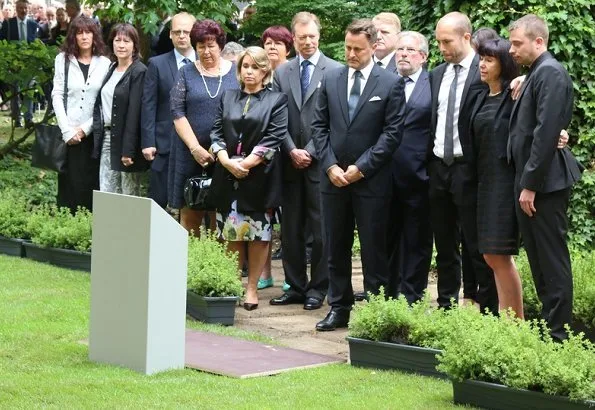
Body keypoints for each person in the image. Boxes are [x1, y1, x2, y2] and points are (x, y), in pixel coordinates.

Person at [312, 19, 406, 331]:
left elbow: (392, 134)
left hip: (371, 181)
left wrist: (361, 168)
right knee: (334, 246)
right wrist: (329, 166)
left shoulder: (390, 83)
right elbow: (319, 127)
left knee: (373, 249)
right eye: (348, 47)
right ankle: (339, 307)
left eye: (358, 49)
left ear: (374, 46)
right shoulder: (332, 77)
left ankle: (377, 313)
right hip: (333, 178)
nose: (351, 54)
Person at [508, 14, 583, 339]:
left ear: (539, 42)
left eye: (517, 43)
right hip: (536, 183)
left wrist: (530, 186)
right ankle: (551, 329)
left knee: (551, 259)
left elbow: (545, 133)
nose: (511, 50)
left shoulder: (549, 73)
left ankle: (559, 335)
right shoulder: (537, 73)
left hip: (545, 185)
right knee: (539, 259)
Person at [269, 13, 342, 309]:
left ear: (319, 36)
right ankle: (295, 286)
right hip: (289, 161)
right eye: (302, 38)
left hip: (320, 160)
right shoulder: (282, 72)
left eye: (312, 36)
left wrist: (310, 150)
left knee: (321, 228)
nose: (308, 42)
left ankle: (318, 288)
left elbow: (335, 118)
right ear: (294, 39)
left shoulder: (335, 70)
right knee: (290, 229)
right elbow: (274, 115)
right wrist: (290, 149)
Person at [428, 12, 498, 314]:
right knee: (443, 244)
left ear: (466, 37)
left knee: (474, 243)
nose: (442, 47)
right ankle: (445, 305)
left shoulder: (483, 73)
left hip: (468, 169)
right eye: (438, 41)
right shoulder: (436, 74)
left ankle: (484, 306)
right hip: (438, 168)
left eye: (447, 41)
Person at [209, 46, 288, 311]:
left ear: (265, 70)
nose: (249, 72)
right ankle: (233, 285)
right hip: (228, 175)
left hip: (259, 178)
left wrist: (248, 163)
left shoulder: (277, 100)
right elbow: (216, 132)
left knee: (258, 236)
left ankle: (252, 288)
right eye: (245, 66)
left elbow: (274, 137)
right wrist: (226, 161)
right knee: (232, 233)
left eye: (255, 67)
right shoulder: (228, 96)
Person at [468, 38, 524, 317]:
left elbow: (534, 126)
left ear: (505, 64)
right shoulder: (480, 96)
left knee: (499, 255)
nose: (482, 64)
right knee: (490, 255)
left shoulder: (515, 96)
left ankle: (516, 323)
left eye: (489, 60)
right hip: (483, 183)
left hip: (504, 183)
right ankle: (508, 319)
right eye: (481, 58)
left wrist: (560, 135)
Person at [169, 19, 238, 233]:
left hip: (225, 155)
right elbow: (177, 111)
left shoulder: (235, 73)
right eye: (201, 46)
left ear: (220, 45)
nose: (206, 51)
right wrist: (195, 148)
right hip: (190, 152)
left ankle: (218, 265)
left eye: (211, 45)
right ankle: (189, 264)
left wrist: (222, 149)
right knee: (190, 213)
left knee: (222, 217)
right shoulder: (186, 73)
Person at [384, 31, 433, 304]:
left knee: (417, 242)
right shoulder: (387, 84)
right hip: (385, 178)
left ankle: (412, 298)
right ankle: (387, 297)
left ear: (423, 57)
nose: (402, 54)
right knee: (386, 240)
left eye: (409, 50)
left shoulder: (433, 83)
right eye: (399, 49)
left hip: (419, 178)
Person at [52, 15, 110, 212]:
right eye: (79, 33)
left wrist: (85, 129)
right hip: (68, 134)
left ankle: (90, 231)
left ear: (95, 35)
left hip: (94, 134)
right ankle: (67, 230)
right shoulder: (63, 60)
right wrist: (67, 130)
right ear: (73, 36)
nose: (84, 37)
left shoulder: (104, 63)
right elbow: (57, 95)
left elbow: (105, 101)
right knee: (69, 185)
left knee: (91, 184)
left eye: (88, 32)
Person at [141, 12, 197, 209]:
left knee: (194, 203)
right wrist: (148, 142)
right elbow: (148, 104)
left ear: (195, 34)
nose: (182, 36)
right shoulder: (157, 64)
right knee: (158, 201)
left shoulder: (207, 62)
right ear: (171, 35)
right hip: (164, 144)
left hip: (199, 144)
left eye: (186, 32)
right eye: (177, 32)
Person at [255, 24, 292, 290]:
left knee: (291, 218)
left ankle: (293, 276)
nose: (271, 46)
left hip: (291, 153)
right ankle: (264, 273)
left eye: (277, 42)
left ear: (287, 47)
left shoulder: (293, 73)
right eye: (267, 42)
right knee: (264, 214)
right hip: (263, 157)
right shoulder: (257, 74)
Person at [92, 23, 148, 195]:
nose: (121, 45)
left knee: (128, 195)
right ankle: (108, 223)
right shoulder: (111, 68)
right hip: (107, 138)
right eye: (117, 40)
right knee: (108, 191)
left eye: (127, 41)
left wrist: (128, 150)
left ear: (135, 45)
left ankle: (130, 224)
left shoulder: (139, 71)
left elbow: (135, 112)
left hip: (126, 141)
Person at [0, 0, 40, 128]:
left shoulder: (33, 24)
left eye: (25, 8)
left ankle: (28, 118)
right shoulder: (8, 24)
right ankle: (17, 118)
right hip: (13, 64)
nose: (23, 10)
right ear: (16, 9)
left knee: (29, 91)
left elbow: (36, 44)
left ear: (28, 9)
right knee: (14, 92)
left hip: (29, 64)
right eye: (20, 8)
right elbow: (2, 42)